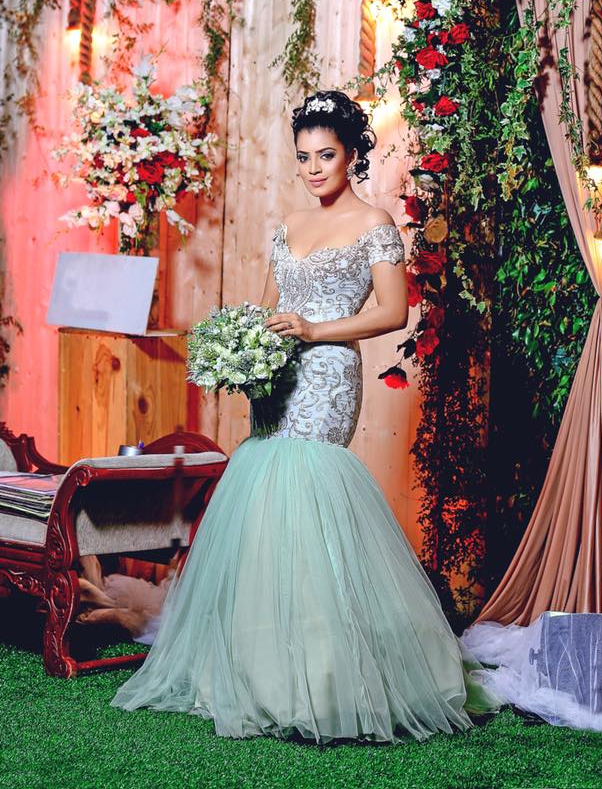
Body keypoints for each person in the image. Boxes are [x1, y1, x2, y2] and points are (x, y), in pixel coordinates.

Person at [110, 89, 501, 743]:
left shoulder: (374, 223)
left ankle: (327, 680)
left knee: (309, 489)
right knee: (267, 504)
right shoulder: (288, 224)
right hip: (278, 375)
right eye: (303, 157)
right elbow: (267, 311)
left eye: (326, 155)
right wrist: (245, 352)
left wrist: (316, 331)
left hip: (326, 373)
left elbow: (392, 312)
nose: (314, 168)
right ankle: (264, 673)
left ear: (352, 155)